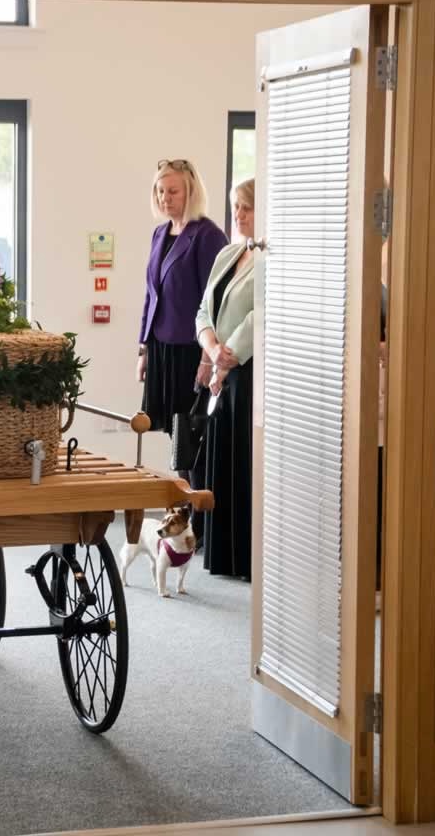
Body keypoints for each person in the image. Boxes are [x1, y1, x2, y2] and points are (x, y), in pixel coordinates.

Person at [137, 159, 229, 471]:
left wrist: (208, 357)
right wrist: (144, 350)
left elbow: (215, 302)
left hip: (192, 349)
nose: (165, 198)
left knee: (193, 434)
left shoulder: (208, 235)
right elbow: (151, 295)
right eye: (160, 191)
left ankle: (192, 507)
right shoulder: (160, 234)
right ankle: (182, 506)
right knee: (175, 433)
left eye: (173, 191)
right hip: (164, 347)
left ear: (191, 192)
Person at [193, 179, 256, 579]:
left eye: (247, 206)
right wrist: (212, 349)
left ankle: (246, 557)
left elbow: (261, 315)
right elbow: (202, 311)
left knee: (245, 462)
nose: (239, 214)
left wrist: (227, 355)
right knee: (222, 458)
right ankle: (222, 556)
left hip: (248, 372)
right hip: (223, 366)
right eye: (235, 205)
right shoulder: (229, 253)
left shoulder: (274, 257)